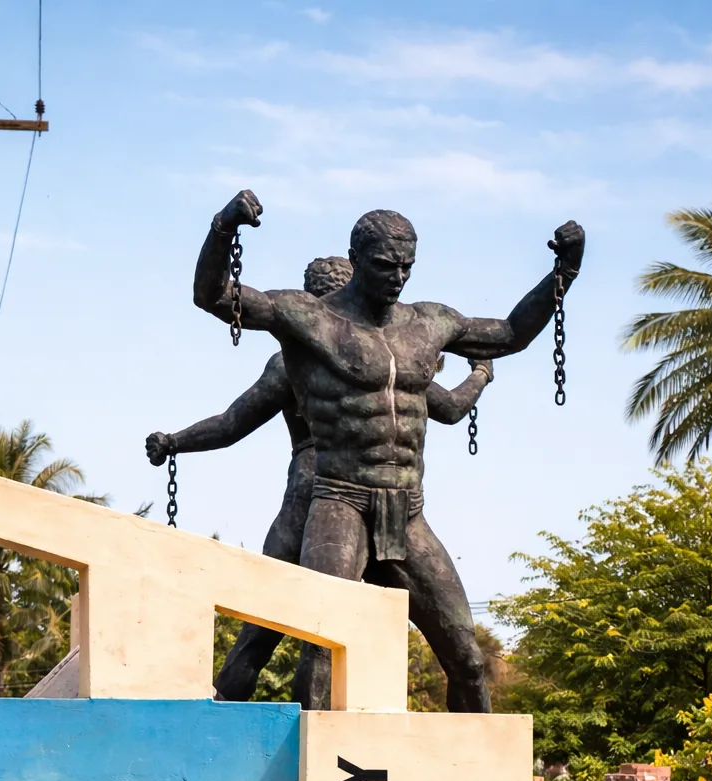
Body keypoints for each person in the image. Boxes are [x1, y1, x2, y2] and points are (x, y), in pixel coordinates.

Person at [193, 192, 585, 711]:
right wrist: (225, 227)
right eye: (384, 265)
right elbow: (215, 296)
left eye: (406, 266)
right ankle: (308, 774)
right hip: (340, 502)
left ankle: (468, 769)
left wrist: (565, 271)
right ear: (356, 260)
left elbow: (511, 333)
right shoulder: (308, 317)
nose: (397, 277)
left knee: (466, 658)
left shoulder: (430, 323)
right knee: (322, 649)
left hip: (407, 510)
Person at [147, 256, 492, 703]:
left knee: (264, 630)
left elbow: (232, 423)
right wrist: (481, 375)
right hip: (337, 497)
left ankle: (225, 720)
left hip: (313, 495)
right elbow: (451, 408)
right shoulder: (373, 354)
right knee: (304, 633)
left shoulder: (359, 355)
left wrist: (175, 441)